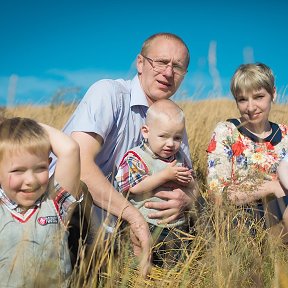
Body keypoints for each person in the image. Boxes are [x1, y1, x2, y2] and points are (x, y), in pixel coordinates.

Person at [50, 32, 197, 276]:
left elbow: (190, 180)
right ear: (140, 63)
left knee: (191, 221)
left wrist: (186, 199)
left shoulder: (172, 122)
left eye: (178, 67)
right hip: (59, 212)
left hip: (115, 229)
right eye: (160, 62)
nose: (168, 73)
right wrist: (134, 218)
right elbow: (80, 167)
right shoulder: (109, 94)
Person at [206, 62, 288, 233]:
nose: (250, 107)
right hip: (241, 220)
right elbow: (218, 195)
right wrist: (271, 187)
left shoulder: (286, 135)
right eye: (242, 99)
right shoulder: (227, 131)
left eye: (258, 97)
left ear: (273, 94)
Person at [0, 117, 80, 287]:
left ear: (49, 164)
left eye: (40, 168)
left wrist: (28, 125)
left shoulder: (55, 203)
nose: (31, 180)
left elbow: (70, 149)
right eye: (18, 170)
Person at [115, 99, 196, 267]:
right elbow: (133, 187)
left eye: (177, 138)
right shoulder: (136, 157)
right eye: (163, 136)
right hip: (146, 224)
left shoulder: (180, 158)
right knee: (141, 263)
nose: (170, 143)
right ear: (146, 132)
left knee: (175, 266)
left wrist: (189, 187)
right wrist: (165, 175)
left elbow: (193, 185)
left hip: (177, 226)